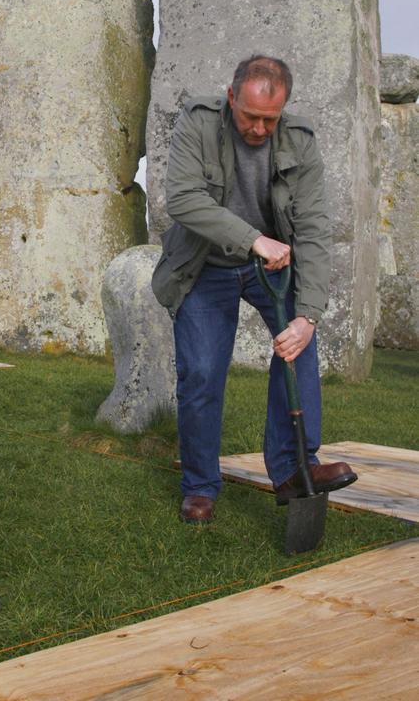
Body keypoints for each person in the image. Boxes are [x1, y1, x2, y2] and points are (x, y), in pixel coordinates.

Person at [152, 55, 358, 523]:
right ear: (231, 97)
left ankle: (292, 470)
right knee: (202, 372)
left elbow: (313, 229)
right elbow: (182, 198)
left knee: (299, 347)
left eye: (270, 119)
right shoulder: (199, 121)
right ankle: (200, 486)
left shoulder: (301, 143)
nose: (260, 129)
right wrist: (252, 239)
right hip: (206, 265)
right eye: (251, 117)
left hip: (274, 268)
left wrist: (307, 316)